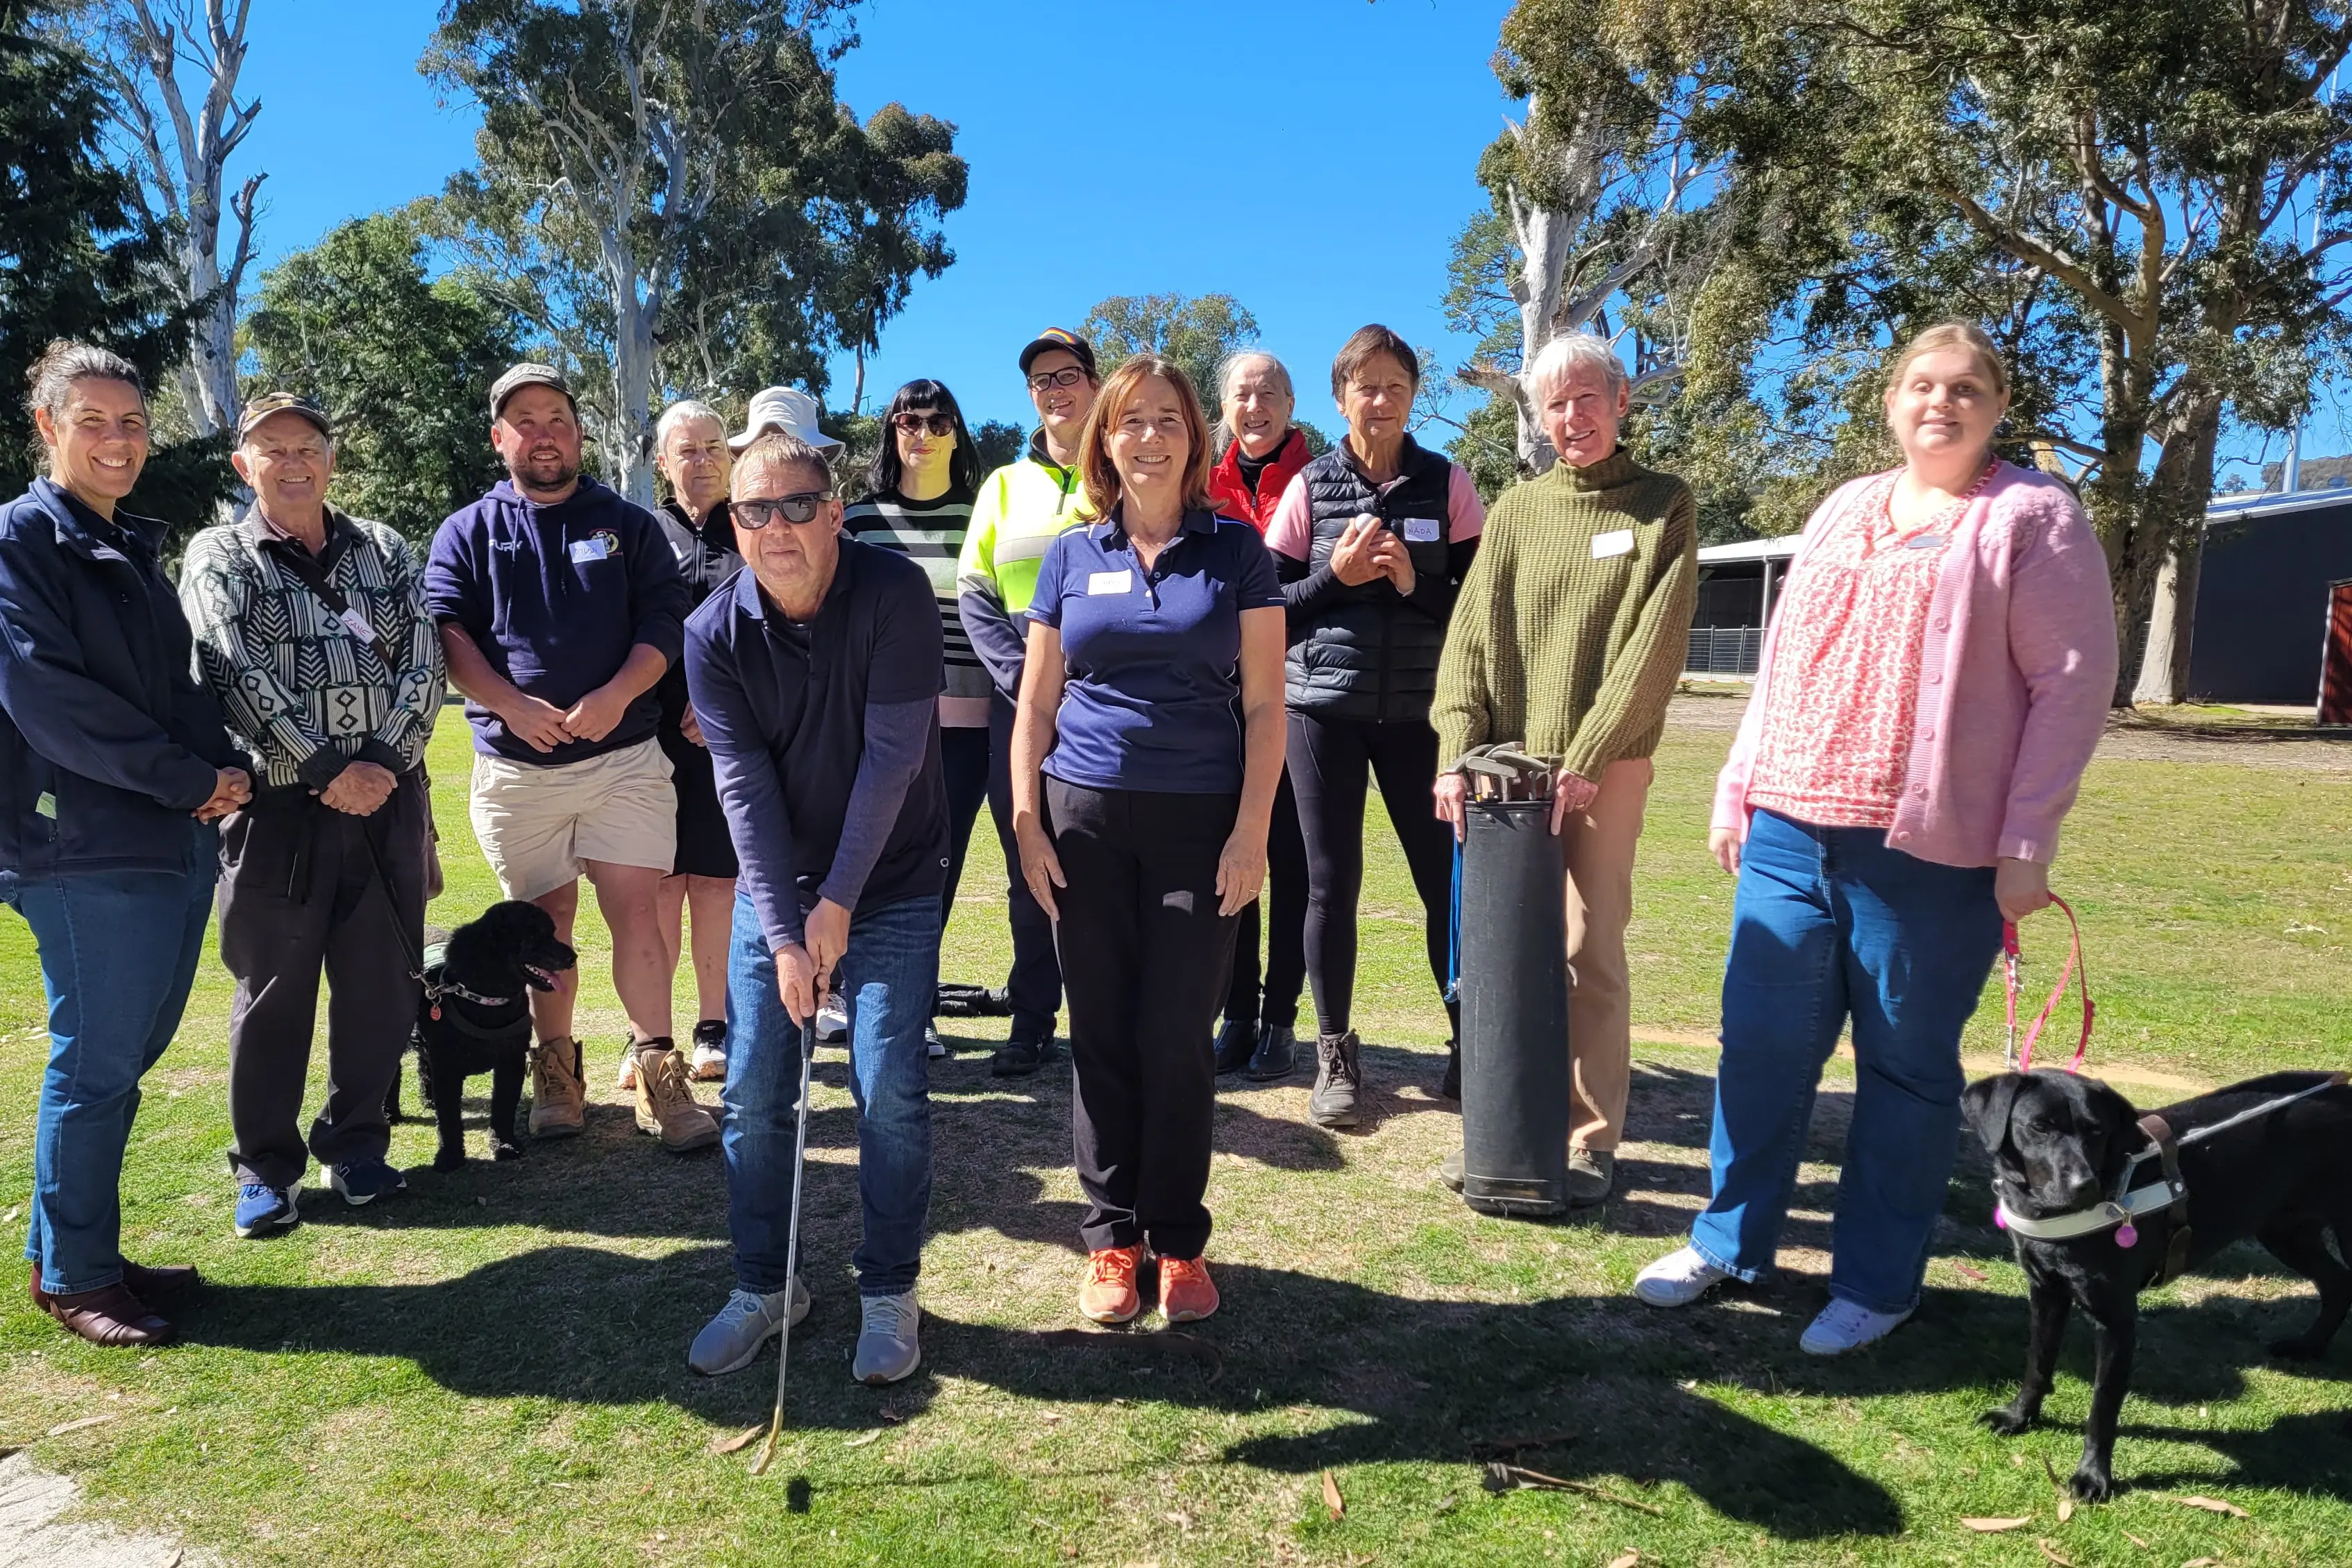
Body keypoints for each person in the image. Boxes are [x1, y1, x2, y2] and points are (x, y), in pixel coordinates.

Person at [1632, 321, 2118, 1355]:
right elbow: (1788, 662)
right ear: (1891, 400)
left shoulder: (2033, 516)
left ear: (1995, 405)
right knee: (1758, 1052)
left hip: (1931, 854)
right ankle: (1728, 1243)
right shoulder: (1846, 505)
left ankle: (1876, 1281)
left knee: (1903, 1071)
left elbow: (2071, 685)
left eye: (1965, 388)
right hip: (1789, 829)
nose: (1939, 403)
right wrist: (1738, 785)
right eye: (1921, 385)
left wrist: (2029, 837)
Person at [1010, 355, 1286, 1326]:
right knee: (1101, 1035)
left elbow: (1263, 701)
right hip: (1081, 818)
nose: (1149, 437)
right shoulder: (1070, 555)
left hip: (1198, 822)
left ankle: (1179, 1239)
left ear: (1193, 436)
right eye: (1131, 421)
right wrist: (1024, 816)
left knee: (1176, 1036)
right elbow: (1037, 698)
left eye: (1168, 419)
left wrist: (1251, 828)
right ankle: (1111, 1239)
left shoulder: (1237, 552)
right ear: (1106, 440)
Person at [0, 342, 251, 1347]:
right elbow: (54, 704)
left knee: (123, 1056)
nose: (118, 439)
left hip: (159, 839)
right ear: (48, 427)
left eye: (133, 421)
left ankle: (75, 1248)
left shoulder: (121, 545)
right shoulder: (23, 541)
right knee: (96, 1063)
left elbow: (167, 693)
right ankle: (77, 1276)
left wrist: (223, 765)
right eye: (94, 420)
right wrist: (191, 779)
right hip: (82, 848)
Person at [683, 430, 947, 1386]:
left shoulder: (895, 595)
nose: (778, 526)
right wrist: (792, 927)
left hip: (898, 878)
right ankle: (765, 1284)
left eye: (798, 504)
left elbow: (895, 758)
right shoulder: (712, 633)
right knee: (754, 1088)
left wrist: (839, 902)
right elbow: (744, 790)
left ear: (835, 512)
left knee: (887, 1088)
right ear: (733, 522)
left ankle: (889, 1289)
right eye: (755, 510)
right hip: (779, 890)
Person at [1429, 334, 1699, 1207]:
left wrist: (1585, 758)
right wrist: (1453, 757)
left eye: (1588, 398)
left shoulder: (1663, 506)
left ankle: (1589, 1140)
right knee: (1502, 957)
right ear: (1537, 418)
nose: (1572, 417)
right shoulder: (1514, 510)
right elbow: (1469, 643)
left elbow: (1651, 652)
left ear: (1621, 403)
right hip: (1506, 776)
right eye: (1555, 404)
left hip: (1602, 767)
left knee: (1588, 952)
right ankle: (1502, 1130)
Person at [424, 363, 716, 1153]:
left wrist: (619, 694)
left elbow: (664, 623)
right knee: (545, 925)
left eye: (556, 416)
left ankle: (659, 1072)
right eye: (525, 420)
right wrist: (508, 703)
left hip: (624, 761)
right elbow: (448, 632)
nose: (543, 432)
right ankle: (556, 1073)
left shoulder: (626, 523)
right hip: (518, 772)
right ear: (499, 438)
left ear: (579, 431)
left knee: (638, 915)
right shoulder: (466, 531)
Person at [180, 393, 447, 1236]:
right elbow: (228, 666)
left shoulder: (384, 548)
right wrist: (329, 767)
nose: (293, 462)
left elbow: (425, 659)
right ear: (243, 465)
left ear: (330, 459)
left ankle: (357, 1142)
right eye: (273, 449)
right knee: (273, 991)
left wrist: (383, 763)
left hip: (387, 799)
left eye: (308, 447)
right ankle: (266, 1165)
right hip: (279, 813)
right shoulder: (221, 554)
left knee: (380, 985)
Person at [1263, 326, 1484, 1127]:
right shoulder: (1308, 490)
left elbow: (1478, 611)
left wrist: (1409, 583)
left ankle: (1470, 1043)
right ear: (1340, 398)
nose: (1380, 400)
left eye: (1395, 385)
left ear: (1413, 395)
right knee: (1330, 885)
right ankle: (1334, 1053)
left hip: (1424, 717)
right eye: (1366, 386)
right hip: (1322, 717)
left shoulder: (1448, 483)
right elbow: (1271, 613)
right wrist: (1340, 575)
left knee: (1445, 887)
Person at [956, 328, 1098, 1077]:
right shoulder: (1003, 487)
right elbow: (974, 589)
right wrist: (1023, 678)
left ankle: (1109, 1020)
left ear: (1095, 384)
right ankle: (1033, 1017)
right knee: (1028, 861)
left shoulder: (1124, 478)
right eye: (1042, 381)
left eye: (1069, 375)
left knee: (1108, 862)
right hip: (1023, 708)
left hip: (1114, 705)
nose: (1055, 390)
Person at [843, 380, 987, 1060]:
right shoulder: (860, 520)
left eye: (938, 421)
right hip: (882, 724)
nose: (922, 433)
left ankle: (916, 1006)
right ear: (890, 431)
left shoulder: (981, 513)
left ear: (957, 433)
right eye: (908, 420)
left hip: (970, 724)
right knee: (871, 861)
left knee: (940, 865)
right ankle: (859, 999)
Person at [1202, 351, 1312, 1081]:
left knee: (1296, 869)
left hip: (1299, 699)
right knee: (1232, 860)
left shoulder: (1320, 480)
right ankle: (1235, 1013)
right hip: (1216, 707)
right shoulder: (1200, 487)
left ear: (1290, 404)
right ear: (1225, 406)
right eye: (1242, 393)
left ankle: (1280, 1020)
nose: (1255, 404)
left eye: (1268, 392)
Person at [644, 398, 741, 1085]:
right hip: (644, 745)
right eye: (687, 450)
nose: (702, 461)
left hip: (728, 741)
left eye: (714, 447)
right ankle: (648, 1035)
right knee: (651, 889)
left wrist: (723, 710)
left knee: (714, 888)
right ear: (661, 461)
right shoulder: (638, 533)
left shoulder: (755, 526)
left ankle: (715, 1025)